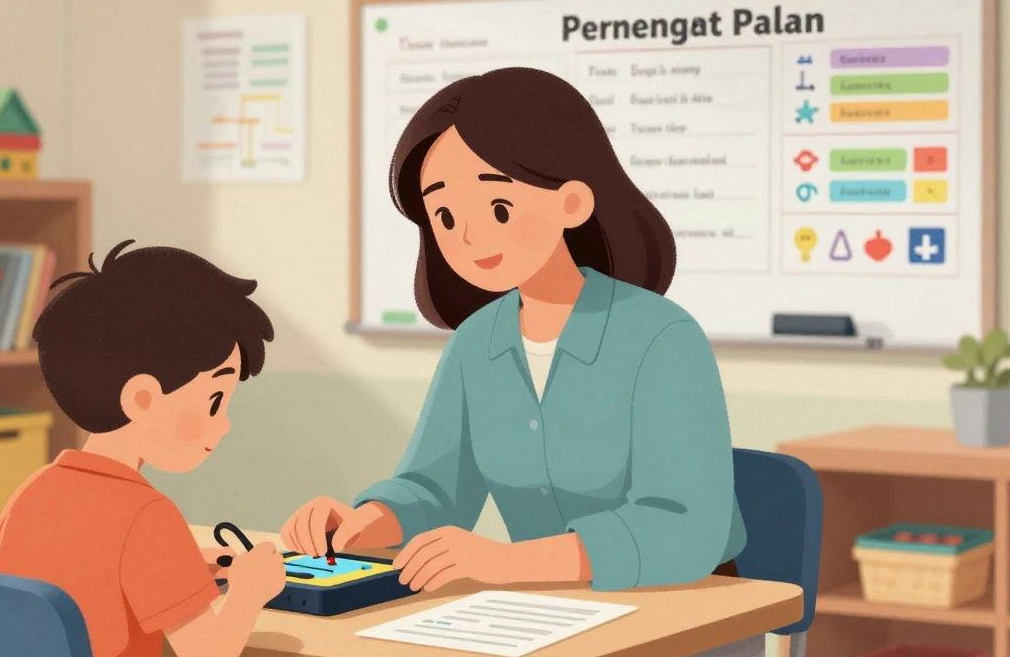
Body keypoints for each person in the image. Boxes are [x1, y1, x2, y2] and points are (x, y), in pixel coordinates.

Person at [283, 66, 746, 599]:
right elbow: (434, 490)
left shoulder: (662, 337)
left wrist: (505, 561)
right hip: (541, 601)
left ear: (572, 201)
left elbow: (684, 528)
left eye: (498, 207)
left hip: (683, 604)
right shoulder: (475, 343)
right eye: (445, 215)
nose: (468, 236)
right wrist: (366, 522)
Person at [0, 241, 285, 657]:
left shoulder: (34, 491)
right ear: (142, 398)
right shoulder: (146, 515)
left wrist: (174, 571)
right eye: (214, 401)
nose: (223, 424)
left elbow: (42, 588)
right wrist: (249, 591)